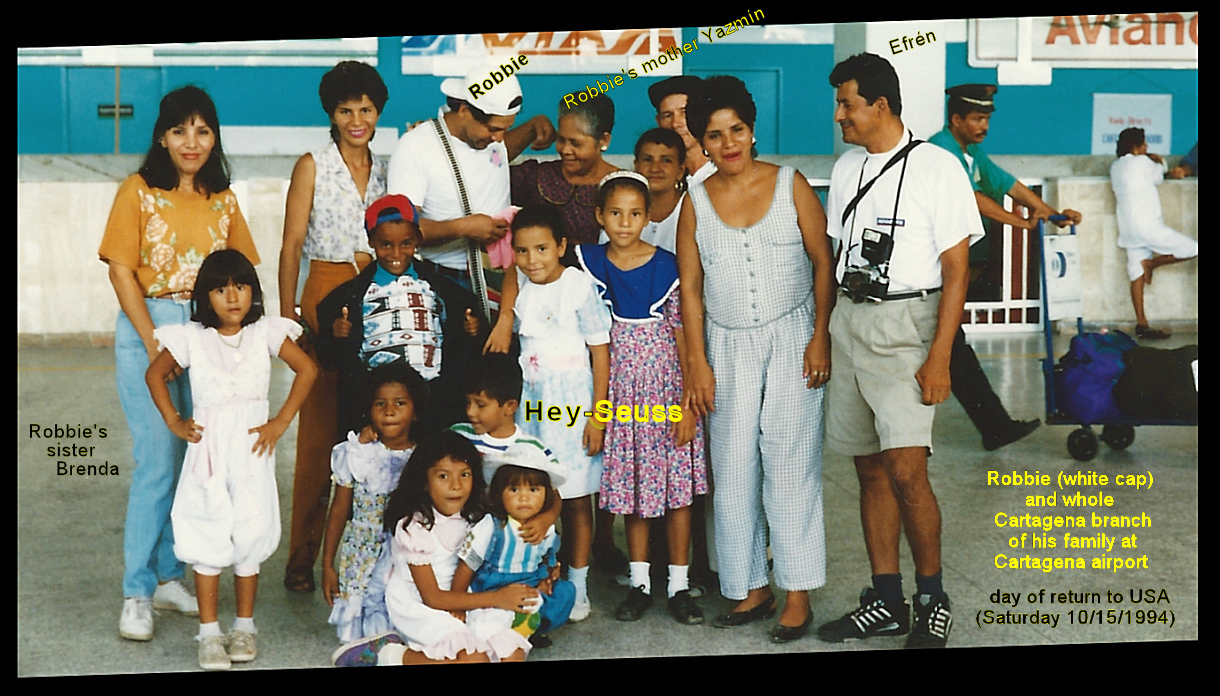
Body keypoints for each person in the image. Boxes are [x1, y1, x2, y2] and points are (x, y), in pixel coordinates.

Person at [819, 53, 983, 649]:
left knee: (908, 471)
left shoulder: (939, 168)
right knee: (867, 468)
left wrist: (939, 357)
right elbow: (832, 260)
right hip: (851, 323)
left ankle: (932, 598)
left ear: (879, 105)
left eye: (847, 104)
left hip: (908, 327)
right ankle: (885, 599)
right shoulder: (846, 169)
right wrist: (823, 334)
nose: (839, 115)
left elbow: (958, 271)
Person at [98, 85, 260, 643]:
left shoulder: (224, 199)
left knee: (199, 460)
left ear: (215, 138)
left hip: (209, 335)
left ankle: (171, 575)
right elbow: (122, 272)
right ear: (161, 137)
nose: (191, 143)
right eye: (179, 130)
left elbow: (241, 270)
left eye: (203, 130)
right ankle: (136, 591)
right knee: (157, 464)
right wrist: (152, 342)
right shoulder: (137, 192)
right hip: (152, 330)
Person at [678, 75, 835, 643]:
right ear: (700, 141)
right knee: (734, 466)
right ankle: (750, 586)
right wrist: (696, 361)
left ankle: (796, 592)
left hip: (792, 336)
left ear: (752, 129)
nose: (728, 144)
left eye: (736, 130)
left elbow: (823, 264)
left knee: (791, 464)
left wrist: (820, 335)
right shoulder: (694, 201)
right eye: (714, 136)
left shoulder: (791, 184)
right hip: (724, 344)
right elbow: (690, 289)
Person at [145, 249, 317, 670]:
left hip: (252, 449)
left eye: (240, 287)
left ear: (253, 293)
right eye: (220, 290)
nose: (232, 297)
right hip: (209, 449)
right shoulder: (192, 337)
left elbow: (308, 370)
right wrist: (175, 421)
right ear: (205, 298)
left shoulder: (265, 334)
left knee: (250, 531)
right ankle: (208, 633)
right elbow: (155, 374)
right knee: (207, 529)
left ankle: (244, 626)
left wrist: (280, 420)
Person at [280, 60, 390, 595]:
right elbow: (291, 245)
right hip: (324, 292)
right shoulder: (313, 166)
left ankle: (362, 549)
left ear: (377, 112)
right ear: (331, 113)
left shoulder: (388, 169)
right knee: (320, 432)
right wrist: (286, 316)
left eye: (365, 109)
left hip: (375, 292)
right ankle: (301, 552)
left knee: (372, 423)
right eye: (346, 110)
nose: (356, 119)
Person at [578, 171, 707, 625]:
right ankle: (639, 583)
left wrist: (690, 404)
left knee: (677, 495)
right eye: (615, 213)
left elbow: (685, 336)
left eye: (635, 213)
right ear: (600, 216)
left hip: (667, 391)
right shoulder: (591, 263)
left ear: (648, 216)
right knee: (633, 490)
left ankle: (678, 585)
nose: (625, 223)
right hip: (620, 394)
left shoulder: (667, 266)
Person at [927, 83, 1073, 450]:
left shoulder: (971, 152)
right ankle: (994, 427)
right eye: (977, 118)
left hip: (947, 266)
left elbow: (1006, 183)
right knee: (950, 345)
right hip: (931, 267)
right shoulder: (940, 150)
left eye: (987, 118)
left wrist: (1051, 214)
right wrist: (1018, 221)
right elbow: (970, 196)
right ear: (955, 119)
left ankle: (994, 426)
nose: (984, 125)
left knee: (953, 345)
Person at [331, 431, 541, 665]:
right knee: (474, 659)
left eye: (465, 475)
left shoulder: (474, 515)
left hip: (460, 595)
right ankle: (388, 655)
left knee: (511, 652)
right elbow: (432, 597)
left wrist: (549, 569)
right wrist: (496, 598)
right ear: (423, 481)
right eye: (443, 476)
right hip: (419, 602)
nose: (456, 486)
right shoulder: (413, 527)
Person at [386, 64, 555, 352]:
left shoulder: (490, 141)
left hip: (502, 278)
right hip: (444, 279)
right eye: (493, 129)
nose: (499, 139)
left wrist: (535, 127)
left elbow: (498, 154)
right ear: (464, 109)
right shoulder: (417, 147)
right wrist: (464, 227)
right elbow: (398, 229)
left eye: (506, 129)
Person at [510, 204, 612, 622]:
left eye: (541, 249)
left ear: (561, 247)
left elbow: (601, 354)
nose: (532, 260)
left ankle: (579, 584)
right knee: (536, 492)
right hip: (533, 410)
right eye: (522, 251)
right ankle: (539, 580)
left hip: (573, 408)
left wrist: (599, 416)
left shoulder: (577, 287)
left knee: (574, 499)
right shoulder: (521, 283)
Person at [315, 194, 483, 438]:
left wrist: (473, 331)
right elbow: (328, 359)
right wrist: (335, 335)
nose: (396, 253)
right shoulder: (348, 297)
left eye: (406, 243)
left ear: (417, 239)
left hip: (433, 401)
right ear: (371, 241)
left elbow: (464, 344)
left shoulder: (444, 291)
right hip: (379, 408)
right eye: (386, 245)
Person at [449, 352, 566, 645]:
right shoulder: (459, 436)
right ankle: (500, 620)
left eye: (481, 405)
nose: (471, 412)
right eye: (468, 403)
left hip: (520, 539)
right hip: (475, 538)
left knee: (560, 593)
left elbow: (554, 494)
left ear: (509, 406)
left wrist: (546, 518)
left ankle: (526, 623)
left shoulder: (531, 447)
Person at [321, 362, 427, 643]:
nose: (389, 411)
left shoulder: (424, 458)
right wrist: (327, 564)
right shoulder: (357, 453)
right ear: (368, 410)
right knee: (364, 626)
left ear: (415, 411)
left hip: (404, 550)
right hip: (362, 552)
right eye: (380, 403)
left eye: (400, 403)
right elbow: (340, 508)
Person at [462, 456, 576, 647]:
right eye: (514, 490)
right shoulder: (492, 526)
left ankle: (529, 630)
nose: (524, 498)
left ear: (546, 494)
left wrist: (548, 578)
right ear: (499, 494)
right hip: (495, 585)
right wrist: (458, 603)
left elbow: (548, 555)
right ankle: (512, 631)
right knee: (492, 621)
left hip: (530, 581)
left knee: (565, 592)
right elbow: (467, 565)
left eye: (534, 490)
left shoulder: (545, 527)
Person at [1110, 127, 1199, 339]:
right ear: (1136, 146)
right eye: (1144, 143)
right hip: (1148, 226)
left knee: (1135, 273)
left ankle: (1142, 323)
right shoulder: (1144, 163)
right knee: (1193, 248)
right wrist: (1159, 160)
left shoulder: (1115, 166)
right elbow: (1161, 174)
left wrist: (1146, 157)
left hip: (1128, 228)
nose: (1147, 146)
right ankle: (1152, 264)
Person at [512, 94, 621, 255]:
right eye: (561, 140)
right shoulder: (534, 177)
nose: (565, 150)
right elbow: (489, 168)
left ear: (604, 140)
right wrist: (531, 127)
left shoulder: (622, 186)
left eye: (575, 143)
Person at [598, 128, 689, 253]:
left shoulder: (691, 208)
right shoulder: (618, 208)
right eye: (647, 159)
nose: (655, 168)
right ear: (636, 165)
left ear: (680, 171)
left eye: (666, 160)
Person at [648, 75, 715, 185]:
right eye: (667, 115)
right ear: (658, 121)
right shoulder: (656, 174)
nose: (675, 124)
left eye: (684, 113)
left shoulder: (723, 169)